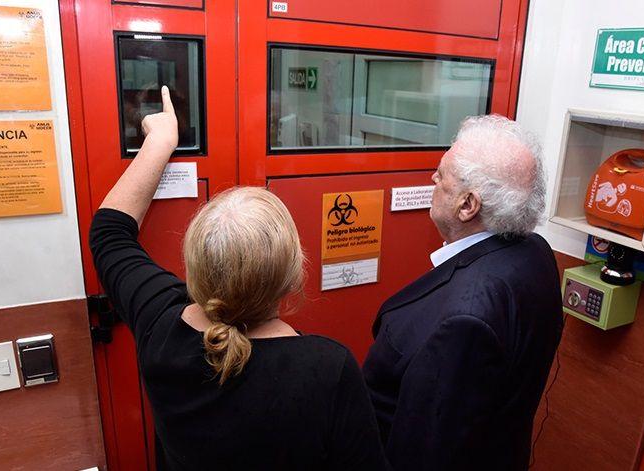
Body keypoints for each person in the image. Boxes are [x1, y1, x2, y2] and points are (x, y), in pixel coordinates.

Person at [90, 86, 387, 470]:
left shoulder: (161, 325)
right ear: (293, 274)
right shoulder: (328, 369)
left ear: (194, 267)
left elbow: (109, 234)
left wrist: (159, 142)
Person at [362, 115, 563, 470]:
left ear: (468, 205)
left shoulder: (464, 323)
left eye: (443, 174)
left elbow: (426, 451)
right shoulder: (536, 252)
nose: (433, 179)